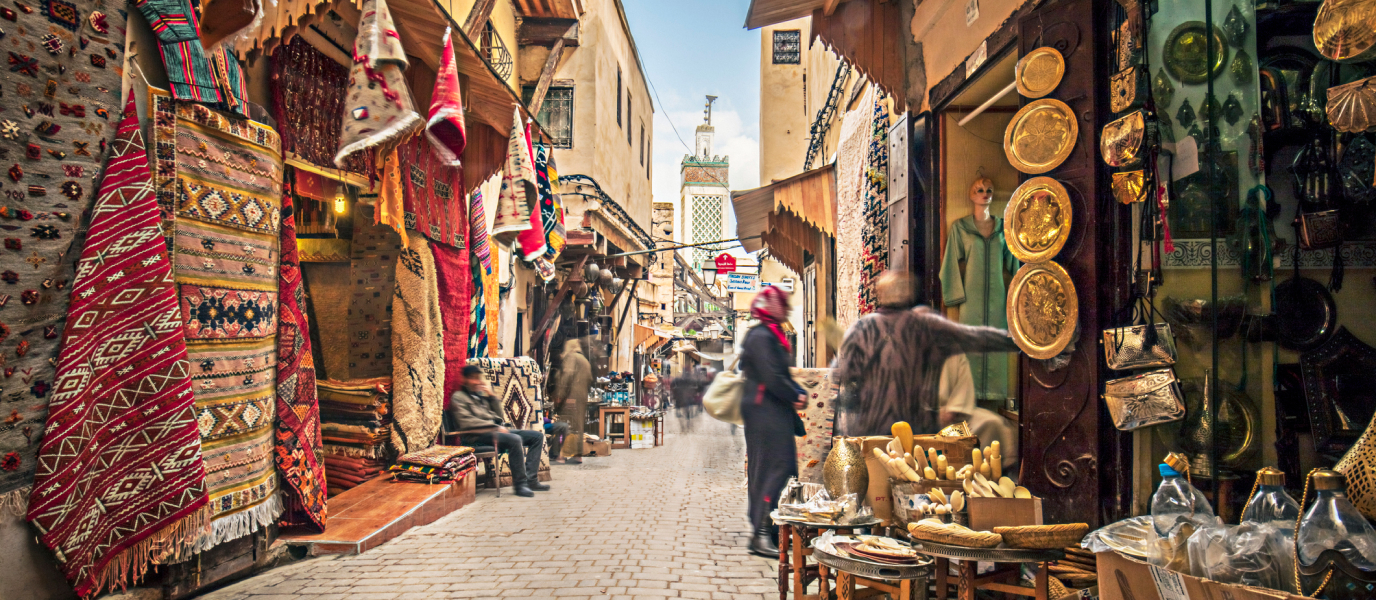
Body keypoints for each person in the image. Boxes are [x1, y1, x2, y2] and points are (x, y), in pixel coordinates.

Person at [834, 270, 1021, 437]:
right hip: (914, 429)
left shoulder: (860, 329)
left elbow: (839, 374)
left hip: (870, 428)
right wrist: (1020, 341)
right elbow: (976, 337)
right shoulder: (924, 324)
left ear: (879, 294)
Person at [739, 286, 807, 559]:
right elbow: (772, 374)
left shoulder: (769, 334)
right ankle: (761, 533)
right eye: (782, 304)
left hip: (770, 410)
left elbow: (778, 372)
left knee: (776, 466)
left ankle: (766, 528)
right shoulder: (762, 336)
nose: (787, 309)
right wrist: (795, 394)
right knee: (774, 467)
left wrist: (795, 393)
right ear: (770, 306)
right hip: (764, 412)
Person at [446, 365, 550, 497]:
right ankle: (520, 485)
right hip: (476, 436)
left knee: (537, 437)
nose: (477, 381)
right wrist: (494, 427)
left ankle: (531, 480)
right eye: (472, 378)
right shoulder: (459, 397)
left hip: (495, 432)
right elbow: (466, 422)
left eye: (478, 378)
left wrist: (491, 397)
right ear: (464, 380)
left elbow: (499, 416)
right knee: (515, 440)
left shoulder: (480, 396)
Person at [937, 354, 1018, 472]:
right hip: (923, 416)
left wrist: (953, 409)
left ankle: (991, 475)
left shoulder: (955, 353)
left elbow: (963, 388)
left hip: (956, 414)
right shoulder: (911, 349)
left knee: (993, 423)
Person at [553, 339, 593, 465]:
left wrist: (559, 395)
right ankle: (577, 455)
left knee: (566, 424)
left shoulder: (571, 357)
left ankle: (561, 455)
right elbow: (589, 379)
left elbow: (566, 375)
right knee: (578, 426)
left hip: (570, 397)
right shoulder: (585, 360)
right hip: (581, 398)